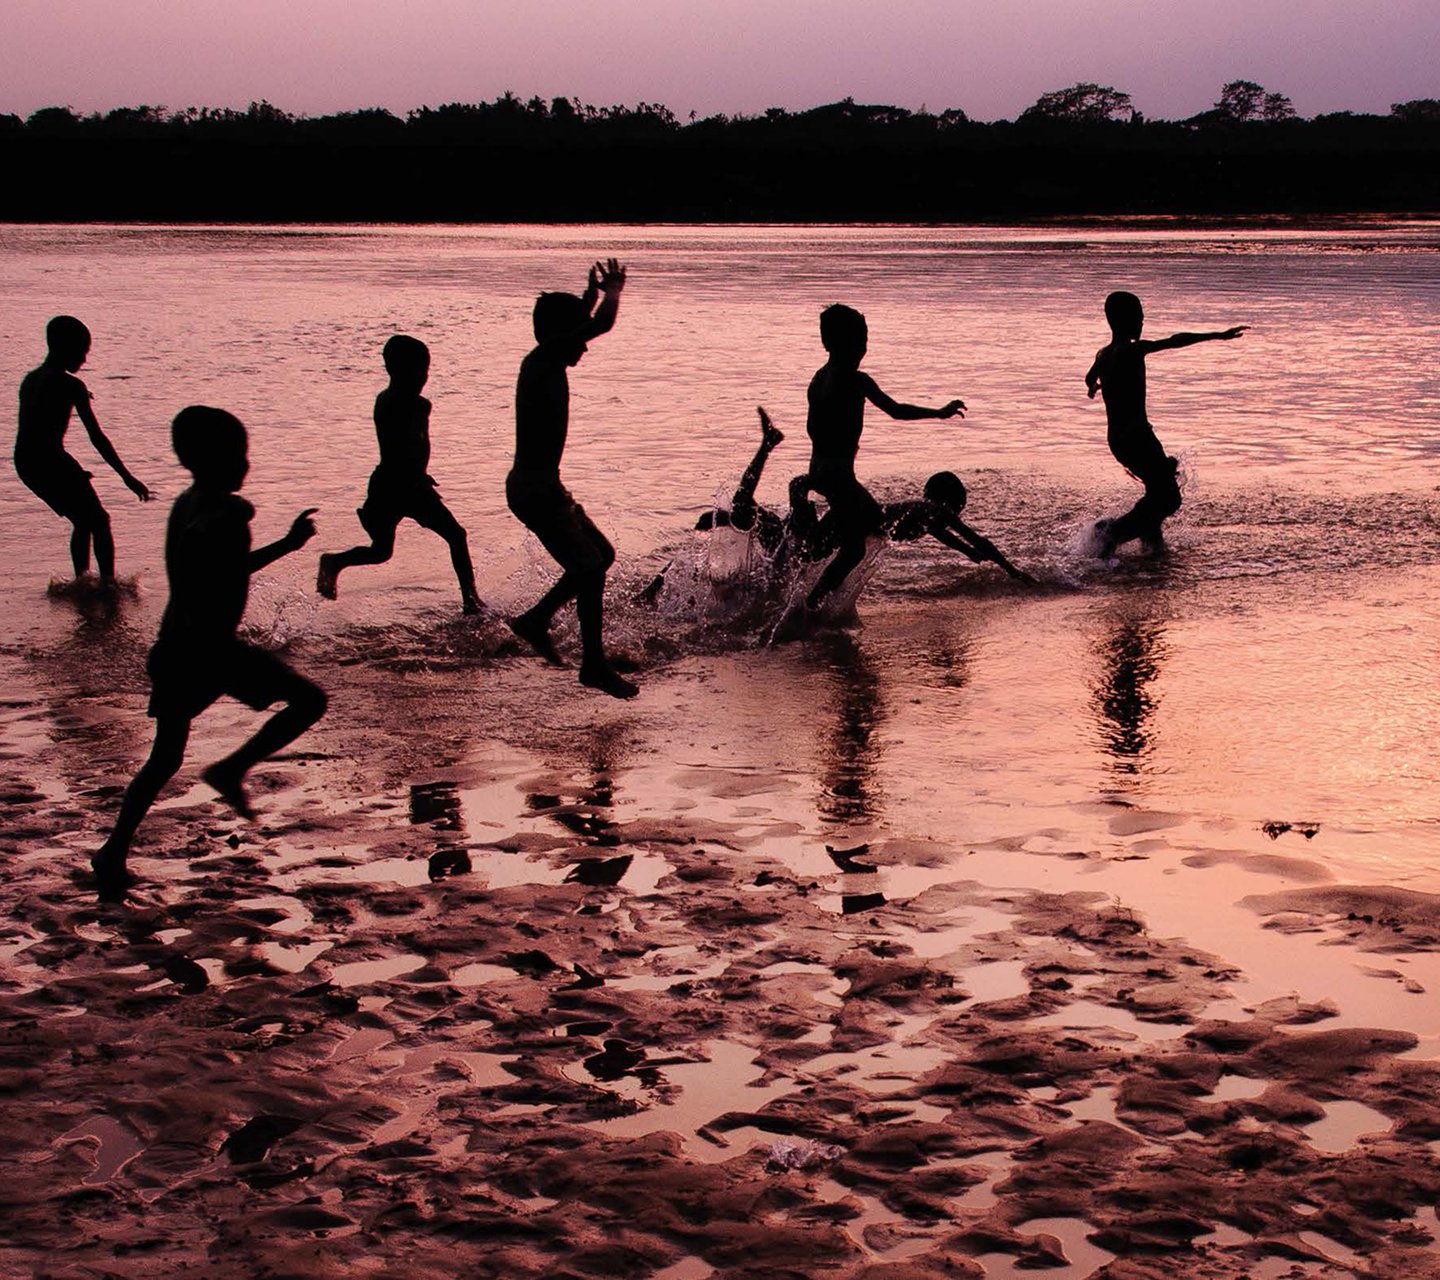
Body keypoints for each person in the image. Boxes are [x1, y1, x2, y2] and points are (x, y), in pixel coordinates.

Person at [92, 406, 327, 894]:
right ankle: (231, 767)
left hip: (176, 648)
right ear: (210, 459)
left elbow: (228, 566)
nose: (246, 464)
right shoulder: (218, 516)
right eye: (238, 455)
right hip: (207, 651)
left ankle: (113, 849)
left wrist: (283, 543)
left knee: (164, 760)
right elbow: (219, 562)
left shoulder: (189, 503)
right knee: (310, 701)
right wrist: (247, 531)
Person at [506, 259, 637, 699]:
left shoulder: (546, 360)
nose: (585, 348)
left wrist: (590, 295)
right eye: (576, 338)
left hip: (545, 487)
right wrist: (613, 292)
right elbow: (598, 326)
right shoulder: (541, 362)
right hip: (534, 490)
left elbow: (579, 325)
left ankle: (538, 620)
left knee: (601, 555)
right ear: (560, 335)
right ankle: (591, 663)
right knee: (587, 566)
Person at [804, 304, 965, 609]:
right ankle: (812, 605)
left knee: (866, 523)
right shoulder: (855, 379)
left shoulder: (818, 378)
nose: (863, 347)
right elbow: (896, 410)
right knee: (854, 550)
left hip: (819, 469)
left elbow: (812, 427)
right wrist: (939, 413)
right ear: (836, 343)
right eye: (858, 340)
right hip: (840, 475)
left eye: (864, 340)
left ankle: (804, 579)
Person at [316, 335, 481, 614]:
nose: (423, 378)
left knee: (382, 551)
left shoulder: (398, 401)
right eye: (417, 371)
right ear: (394, 370)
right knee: (455, 535)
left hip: (394, 483)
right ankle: (471, 601)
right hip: (401, 485)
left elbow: (421, 444)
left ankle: (335, 562)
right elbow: (402, 444)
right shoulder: (400, 404)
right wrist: (416, 475)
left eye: (425, 371)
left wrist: (421, 473)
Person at [1085, 291, 1247, 556]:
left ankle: (1153, 548)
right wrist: (1218, 335)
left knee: (1157, 491)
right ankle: (1111, 533)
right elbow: (1174, 341)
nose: (1142, 321)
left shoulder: (1103, 355)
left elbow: (1089, 377)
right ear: (1124, 321)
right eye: (1138, 316)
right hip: (1138, 437)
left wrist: (1093, 385)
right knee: (1169, 498)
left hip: (1118, 440)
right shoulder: (1133, 350)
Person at [14, 315, 152, 582]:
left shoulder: (30, 379)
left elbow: (34, 431)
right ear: (64, 347)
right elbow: (97, 437)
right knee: (99, 520)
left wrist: (70, 471)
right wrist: (127, 477)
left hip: (26, 462)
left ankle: (82, 582)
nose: (84, 359)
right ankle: (107, 586)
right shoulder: (70, 385)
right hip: (49, 460)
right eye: (81, 352)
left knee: (83, 520)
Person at [879, 471, 1034, 583]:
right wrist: (1013, 571)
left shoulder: (924, 509)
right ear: (953, 499)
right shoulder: (938, 509)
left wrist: (969, 551)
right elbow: (978, 540)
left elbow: (939, 532)